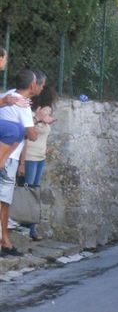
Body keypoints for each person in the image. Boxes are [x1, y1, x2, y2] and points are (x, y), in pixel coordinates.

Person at [0, 69, 38, 257]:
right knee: (4, 201)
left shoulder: (7, 95)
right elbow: (32, 135)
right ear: (32, 86)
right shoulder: (23, 106)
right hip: (10, 156)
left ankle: (5, 240)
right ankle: (4, 242)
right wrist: (38, 119)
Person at [21, 85, 57, 241]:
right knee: (28, 192)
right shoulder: (35, 112)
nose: (49, 112)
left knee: (35, 192)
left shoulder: (46, 113)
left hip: (40, 157)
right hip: (30, 156)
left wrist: (47, 149)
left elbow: (44, 136)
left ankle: (31, 228)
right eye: (48, 110)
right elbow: (27, 136)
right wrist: (22, 162)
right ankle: (27, 228)